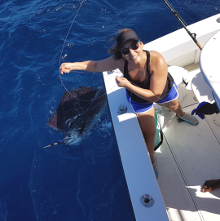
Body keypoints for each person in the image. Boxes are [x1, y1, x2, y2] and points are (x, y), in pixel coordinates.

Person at [59, 28, 199, 177]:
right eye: (125, 51)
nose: (131, 53)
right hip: (139, 100)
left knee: (175, 106)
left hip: (161, 92)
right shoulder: (120, 61)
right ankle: (151, 160)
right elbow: (95, 65)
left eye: (134, 46)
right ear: (121, 53)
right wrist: (72, 65)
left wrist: (129, 85)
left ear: (141, 44)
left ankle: (182, 115)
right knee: (148, 134)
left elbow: (155, 96)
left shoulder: (156, 59)